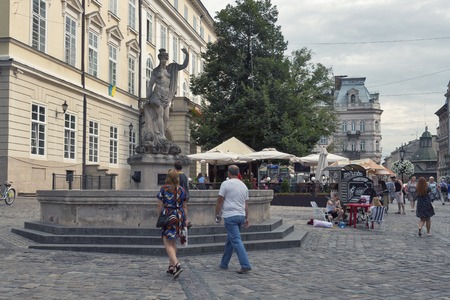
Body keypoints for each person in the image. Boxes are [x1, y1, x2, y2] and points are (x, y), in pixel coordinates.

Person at [144, 48, 189, 145]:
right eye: (162, 59)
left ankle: (161, 134)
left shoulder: (170, 69)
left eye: (165, 59)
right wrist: (148, 97)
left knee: (166, 117)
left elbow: (184, 65)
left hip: (166, 97)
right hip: (157, 95)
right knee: (160, 114)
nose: (164, 61)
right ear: (160, 59)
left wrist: (187, 55)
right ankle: (161, 136)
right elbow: (151, 84)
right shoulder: (156, 71)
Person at [215, 165, 252, 274]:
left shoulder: (225, 184)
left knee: (236, 240)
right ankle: (224, 263)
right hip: (240, 215)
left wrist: (217, 214)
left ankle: (245, 264)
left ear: (229, 173)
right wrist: (247, 217)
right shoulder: (243, 185)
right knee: (231, 240)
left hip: (230, 215)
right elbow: (246, 204)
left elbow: (220, 200)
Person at [156, 169, 189, 279]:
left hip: (168, 215)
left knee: (166, 241)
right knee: (173, 241)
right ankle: (171, 267)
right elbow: (184, 206)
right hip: (179, 216)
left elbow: (160, 205)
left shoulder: (164, 189)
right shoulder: (182, 190)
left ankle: (177, 264)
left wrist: (159, 216)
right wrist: (185, 219)